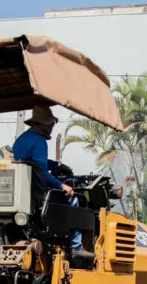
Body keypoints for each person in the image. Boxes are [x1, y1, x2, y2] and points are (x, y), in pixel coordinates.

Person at [12, 106, 92, 262]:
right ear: (43, 124)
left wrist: (57, 166)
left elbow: (35, 162)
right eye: (50, 125)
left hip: (25, 191)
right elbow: (41, 172)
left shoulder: (21, 140)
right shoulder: (40, 141)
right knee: (74, 199)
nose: (51, 128)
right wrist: (62, 186)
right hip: (38, 193)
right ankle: (76, 246)